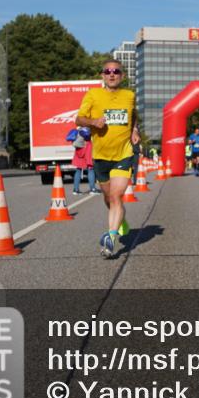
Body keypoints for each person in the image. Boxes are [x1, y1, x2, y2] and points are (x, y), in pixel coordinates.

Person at [76, 59, 139, 259]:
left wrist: (134, 129)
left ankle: (111, 239)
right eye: (108, 71)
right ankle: (120, 221)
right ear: (102, 75)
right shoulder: (93, 95)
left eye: (116, 71)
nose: (112, 74)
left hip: (124, 153)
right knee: (108, 198)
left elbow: (133, 113)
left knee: (116, 196)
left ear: (123, 76)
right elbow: (79, 118)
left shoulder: (129, 95)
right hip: (101, 156)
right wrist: (93, 121)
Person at [70, 127, 96, 195]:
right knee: (90, 168)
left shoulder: (79, 127)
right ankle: (92, 189)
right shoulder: (88, 123)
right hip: (87, 146)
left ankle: (75, 190)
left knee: (78, 169)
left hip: (79, 148)